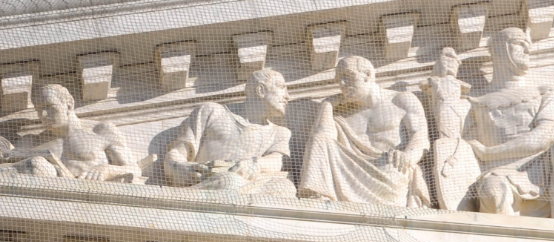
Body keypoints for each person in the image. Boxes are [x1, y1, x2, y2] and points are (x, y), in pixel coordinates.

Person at [462, 28, 554, 218]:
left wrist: (488, 152)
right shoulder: (475, 102)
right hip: (498, 172)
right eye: (519, 44)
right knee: (493, 195)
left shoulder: (548, 92)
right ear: (500, 49)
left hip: (543, 168)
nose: (527, 51)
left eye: (529, 46)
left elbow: (548, 135)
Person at [299, 55, 431, 207]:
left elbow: (420, 135)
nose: (342, 84)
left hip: (389, 170)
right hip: (348, 172)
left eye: (348, 76)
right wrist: (327, 105)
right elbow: (322, 141)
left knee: (393, 170)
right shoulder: (340, 112)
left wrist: (408, 156)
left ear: (367, 75)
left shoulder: (400, 100)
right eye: (339, 79)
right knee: (319, 140)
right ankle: (317, 198)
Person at [163, 68, 296, 196]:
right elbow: (177, 153)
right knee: (229, 181)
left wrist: (254, 165)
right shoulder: (212, 112)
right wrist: (181, 168)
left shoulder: (280, 132)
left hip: (250, 186)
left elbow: (277, 161)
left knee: (285, 187)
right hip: (210, 181)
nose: (287, 96)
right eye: (281, 87)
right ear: (260, 90)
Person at [0, 84, 139, 183]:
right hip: (44, 200)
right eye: (39, 110)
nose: (43, 114)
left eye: (49, 107)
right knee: (37, 163)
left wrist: (107, 169)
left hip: (90, 198)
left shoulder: (102, 131)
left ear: (68, 105)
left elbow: (134, 170)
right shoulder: (32, 141)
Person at [421, 47, 475, 210]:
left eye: (454, 63)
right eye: (447, 61)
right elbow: (422, 84)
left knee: (455, 128)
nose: (451, 65)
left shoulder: (458, 82)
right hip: (442, 107)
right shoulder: (436, 80)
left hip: (455, 109)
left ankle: (452, 142)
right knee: (444, 126)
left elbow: (468, 87)